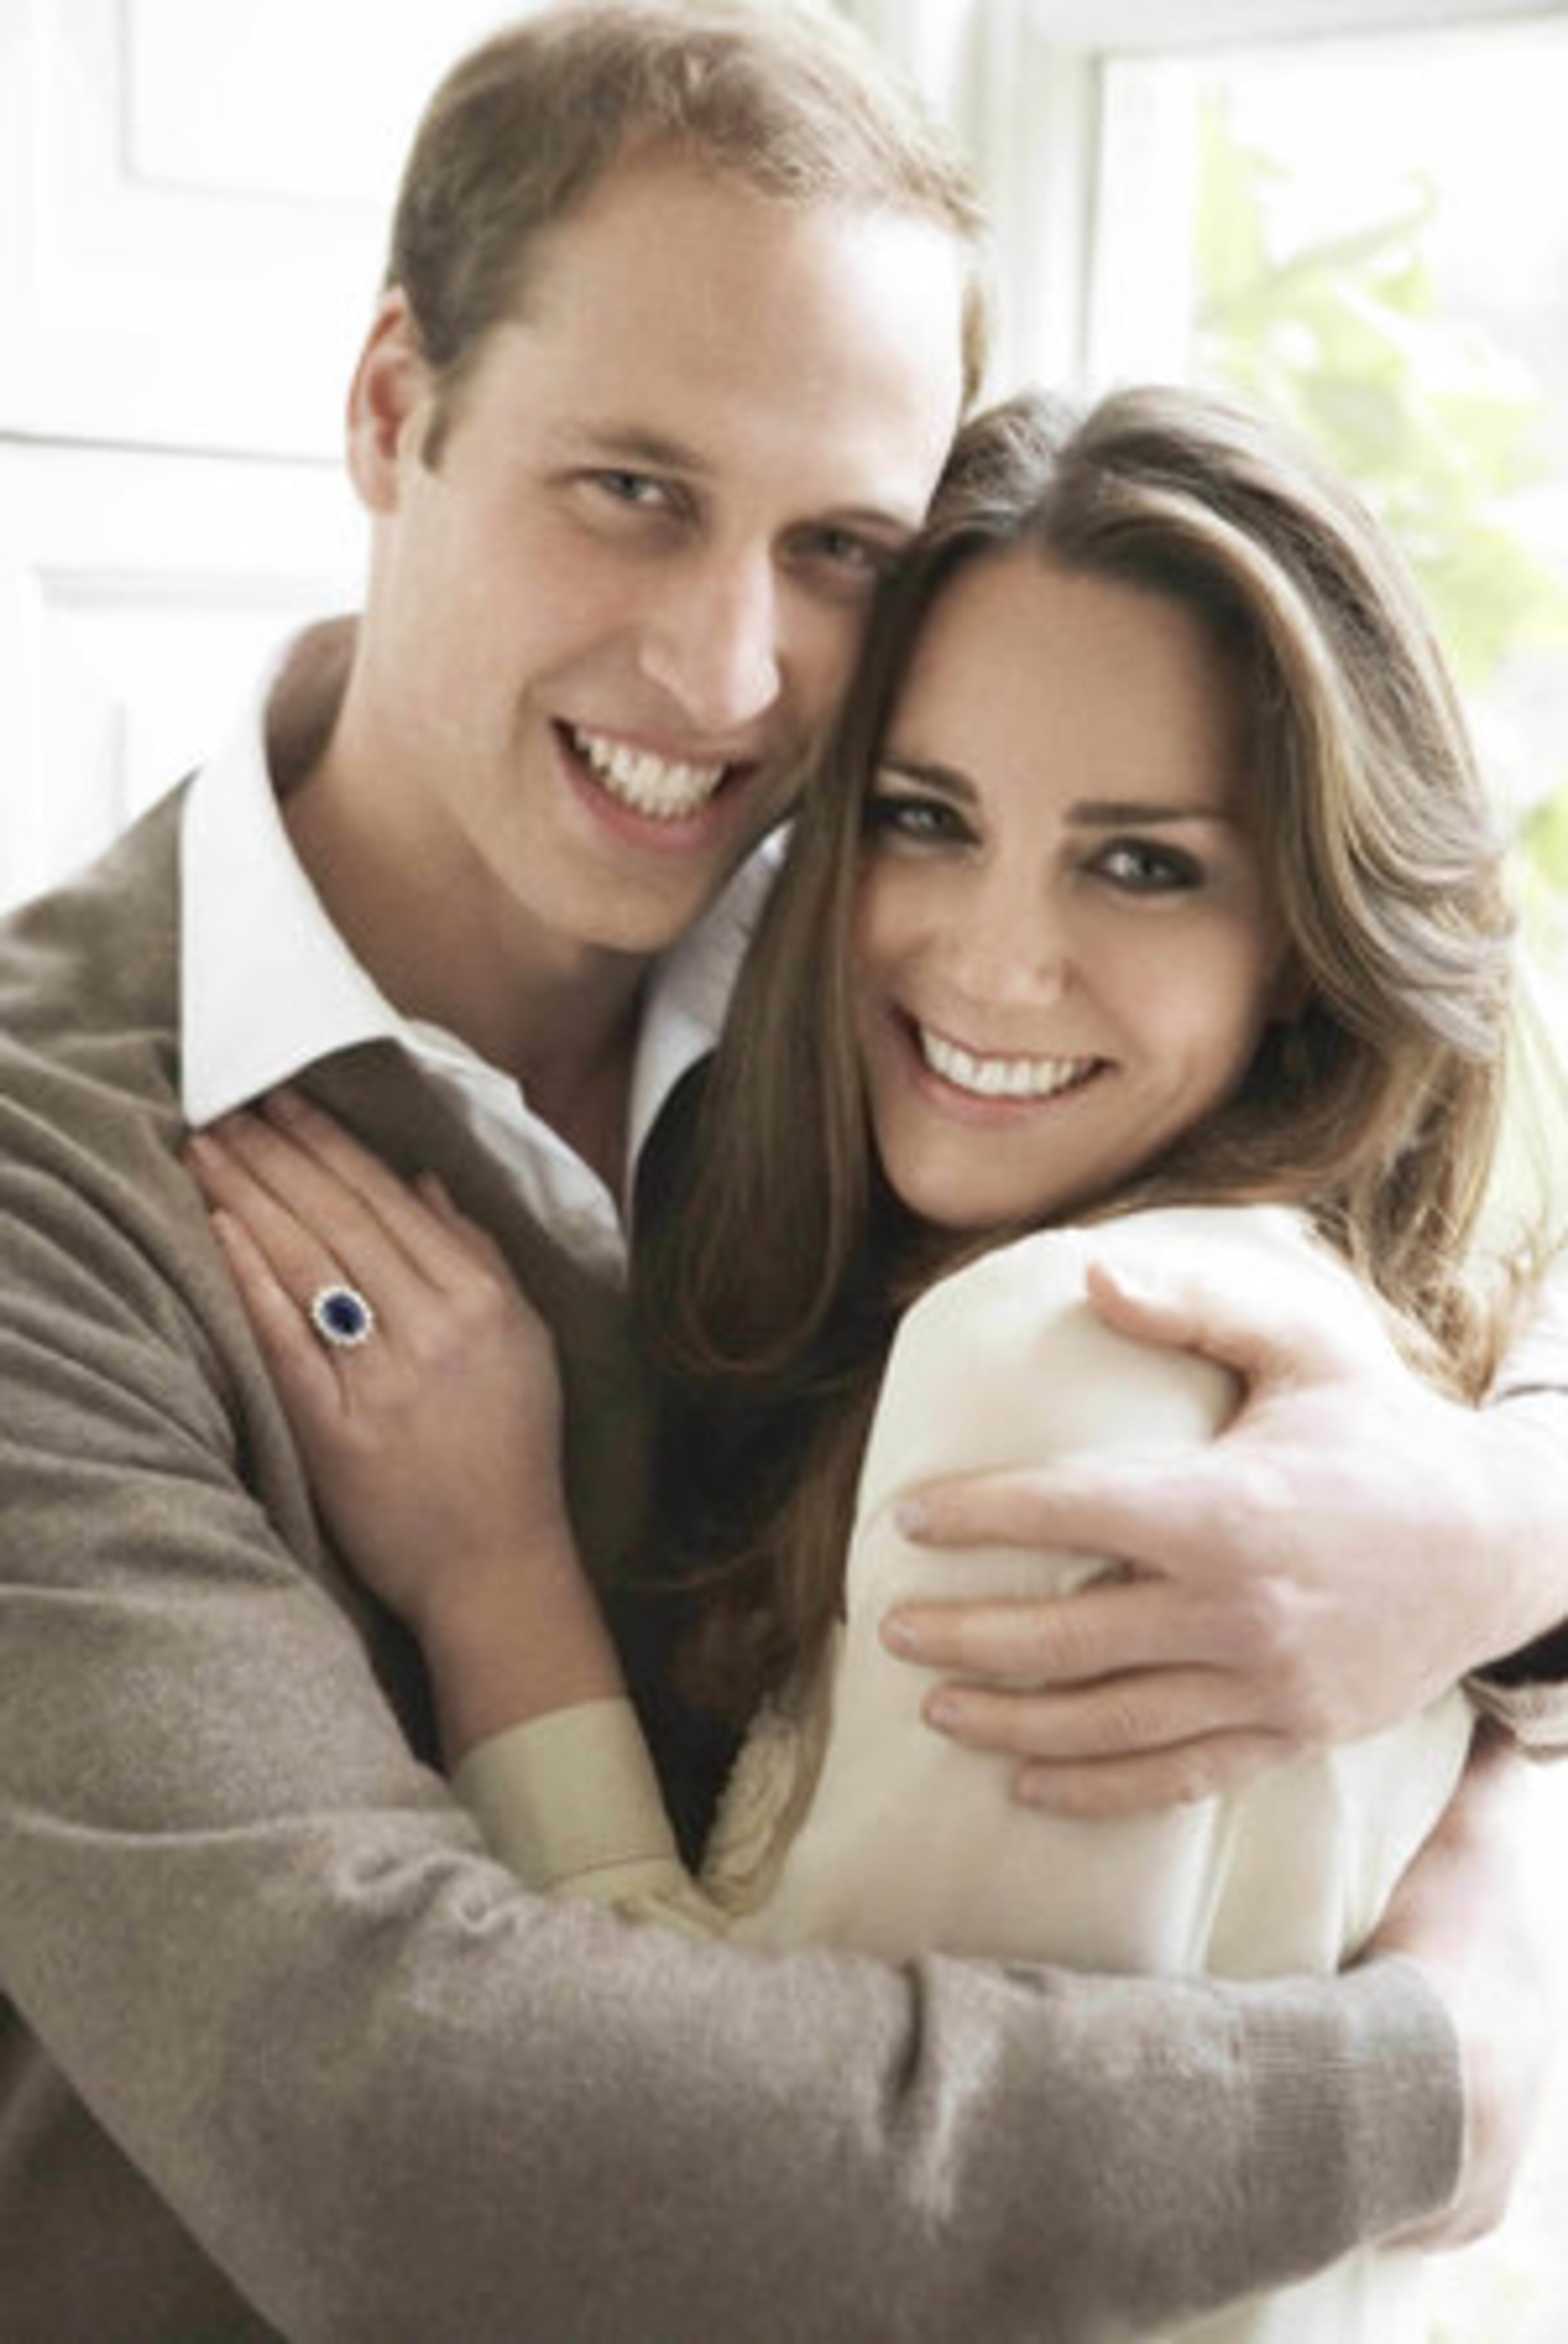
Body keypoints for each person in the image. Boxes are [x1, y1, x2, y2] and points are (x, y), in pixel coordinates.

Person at [0, 3, 1559, 2335]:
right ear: (396, 409)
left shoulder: (920, 991)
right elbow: (416, 2149)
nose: (728, 675)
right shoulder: (53, 1191)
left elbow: (1465, 1188)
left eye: (838, 545)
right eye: (633, 489)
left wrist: (1501, 1541)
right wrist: (1434, 2089)